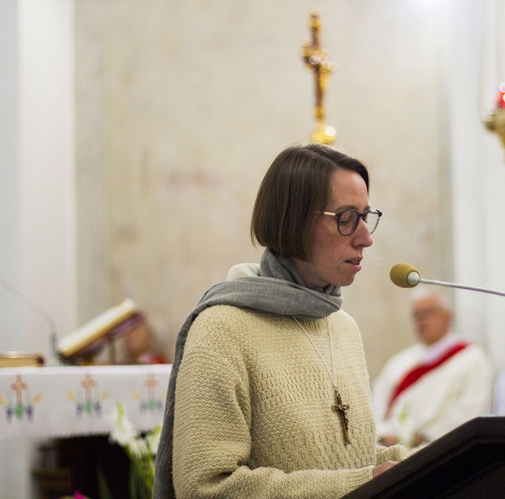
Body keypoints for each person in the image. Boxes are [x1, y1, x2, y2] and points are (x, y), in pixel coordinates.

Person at [153, 143, 408, 499]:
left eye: (366, 216)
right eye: (347, 218)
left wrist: (417, 464)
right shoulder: (223, 330)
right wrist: (363, 484)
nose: (365, 237)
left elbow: (347, 459)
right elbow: (205, 488)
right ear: (295, 221)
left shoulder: (342, 326)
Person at [371, 288, 493, 448]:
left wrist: (427, 436)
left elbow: (471, 410)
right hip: (393, 452)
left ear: (448, 316)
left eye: (427, 313)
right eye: (416, 315)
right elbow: (377, 405)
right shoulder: (399, 362)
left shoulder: (472, 358)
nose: (421, 320)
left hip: (442, 451)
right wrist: (385, 433)